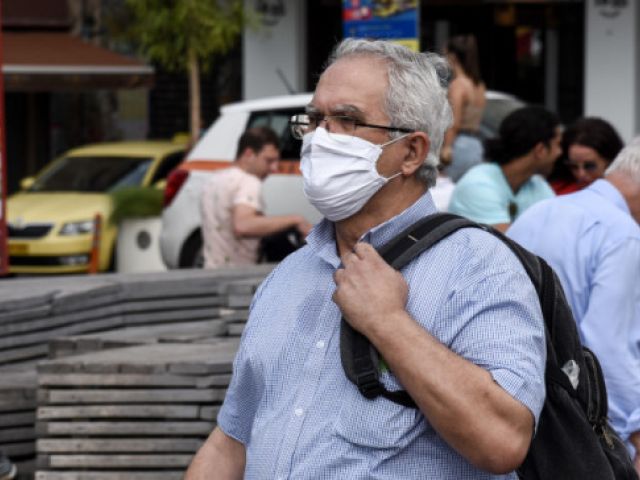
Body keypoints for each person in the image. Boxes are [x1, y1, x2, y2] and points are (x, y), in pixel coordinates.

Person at [185, 38, 545, 479]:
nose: (320, 138)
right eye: (314, 120)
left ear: (411, 152)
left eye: (347, 120)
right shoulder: (288, 275)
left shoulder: (479, 267)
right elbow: (232, 441)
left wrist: (388, 323)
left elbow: (503, 441)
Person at [507, 142, 640, 475]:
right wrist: (636, 431)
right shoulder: (623, 234)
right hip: (578, 429)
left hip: (518, 407)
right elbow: (608, 346)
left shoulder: (539, 210)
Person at [199, 126, 312, 269]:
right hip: (238, 274)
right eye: (268, 161)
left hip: (211, 271)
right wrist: (296, 220)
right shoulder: (248, 181)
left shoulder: (214, 180)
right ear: (249, 154)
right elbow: (243, 225)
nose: (274, 168)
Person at [448, 105, 561, 232]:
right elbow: (508, 242)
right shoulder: (478, 185)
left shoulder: (538, 185)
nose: (560, 152)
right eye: (557, 144)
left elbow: (559, 231)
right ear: (540, 150)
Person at [440, 34, 486, 182]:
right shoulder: (479, 85)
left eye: (445, 55)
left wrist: (447, 147)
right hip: (476, 146)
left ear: (453, 57)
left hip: (458, 146)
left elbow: (454, 122)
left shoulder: (458, 85)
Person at [548, 117, 624, 194]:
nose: (581, 174)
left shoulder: (626, 194)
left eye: (590, 166)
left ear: (610, 162)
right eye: (573, 166)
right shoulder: (554, 193)